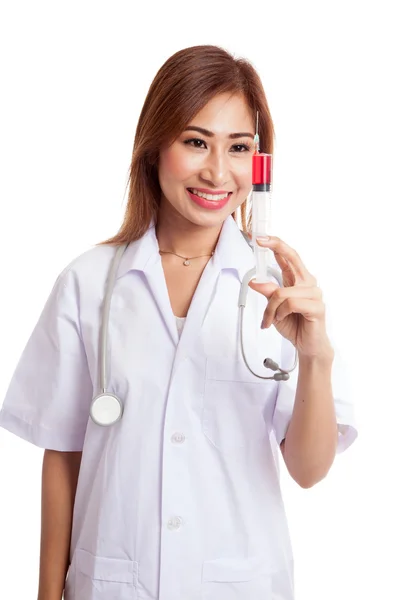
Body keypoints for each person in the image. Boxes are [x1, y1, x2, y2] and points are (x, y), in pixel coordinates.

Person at [0, 45, 357, 600]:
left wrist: (315, 357)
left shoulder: (282, 290)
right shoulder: (89, 283)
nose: (218, 171)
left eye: (238, 148)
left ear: (257, 165)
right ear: (153, 148)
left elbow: (310, 471)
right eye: (196, 142)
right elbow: (63, 454)